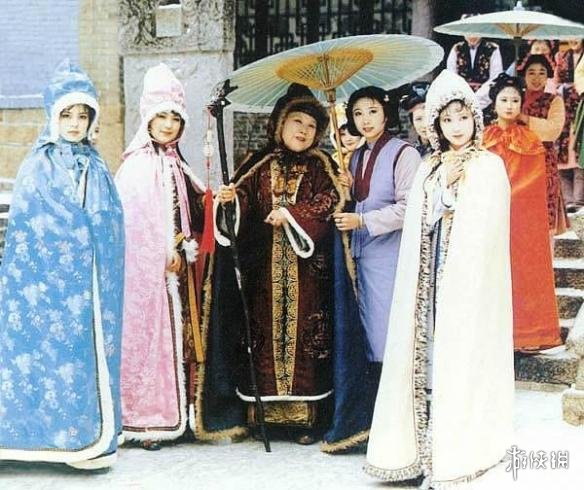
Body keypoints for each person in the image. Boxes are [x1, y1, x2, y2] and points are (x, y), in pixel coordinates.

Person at [364, 70, 513, 488]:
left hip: (468, 283)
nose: (456, 127)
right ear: (435, 125)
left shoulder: (489, 166)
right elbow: (419, 220)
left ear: (474, 119)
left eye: (462, 118)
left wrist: (454, 200)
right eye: (447, 120)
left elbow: (488, 228)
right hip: (427, 277)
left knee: (460, 352)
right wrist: (440, 197)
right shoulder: (429, 167)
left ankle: (456, 447)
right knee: (425, 352)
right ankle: (418, 445)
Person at [0, 60, 125, 469]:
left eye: (82, 115)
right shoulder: (38, 165)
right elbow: (30, 224)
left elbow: (110, 222)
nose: (74, 123)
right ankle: (24, 440)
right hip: (45, 287)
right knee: (37, 358)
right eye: (67, 114)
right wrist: (74, 240)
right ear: (53, 115)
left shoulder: (96, 165)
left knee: (78, 360)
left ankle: (79, 439)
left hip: (86, 286)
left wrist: (93, 242)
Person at [211, 84, 342, 445]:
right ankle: (263, 417)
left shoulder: (322, 166)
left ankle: (306, 420)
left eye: (311, 126)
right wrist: (230, 200)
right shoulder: (257, 164)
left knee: (306, 343)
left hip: (308, 275)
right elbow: (242, 206)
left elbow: (331, 200)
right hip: (263, 273)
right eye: (297, 122)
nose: (304, 131)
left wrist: (292, 214)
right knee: (262, 340)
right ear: (280, 124)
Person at [116, 64, 211, 448]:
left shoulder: (176, 162)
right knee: (149, 339)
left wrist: (215, 202)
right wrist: (163, 252)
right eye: (162, 117)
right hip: (152, 274)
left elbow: (193, 210)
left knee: (182, 339)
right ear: (148, 118)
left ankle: (181, 412)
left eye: (175, 118)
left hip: (179, 269)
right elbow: (134, 223)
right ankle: (146, 418)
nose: (169, 125)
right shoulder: (136, 167)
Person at [334, 86, 421, 372]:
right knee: (364, 326)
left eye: (373, 111)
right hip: (359, 254)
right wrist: (347, 188)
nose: (365, 119)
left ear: (386, 114)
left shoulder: (404, 154)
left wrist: (362, 221)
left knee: (386, 326)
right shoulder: (356, 156)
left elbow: (409, 208)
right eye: (358, 113)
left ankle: (389, 384)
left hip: (390, 256)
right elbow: (359, 201)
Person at [484, 73, 561, 351]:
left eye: (515, 100)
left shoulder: (530, 138)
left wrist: (509, 200)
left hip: (521, 219)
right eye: (504, 99)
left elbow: (533, 183)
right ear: (494, 103)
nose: (509, 105)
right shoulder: (483, 138)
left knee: (523, 274)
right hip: (489, 217)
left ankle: (527, 334)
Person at [520, 54, 569, 237]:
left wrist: (525, 119)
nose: (536, 77)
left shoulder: (554, 101)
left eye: (541, 73)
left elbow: (552, 130)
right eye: (531, 72)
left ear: (548, 76)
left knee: (544, 211)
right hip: (516, 160)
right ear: (524, 75)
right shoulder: (515, 97)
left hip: (542, 161)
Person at [555, 39, 584, 212]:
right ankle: (567, 201)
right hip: (563, 113)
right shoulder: (560, 57)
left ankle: (579, 202)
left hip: (580, 113)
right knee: (562, 157)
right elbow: (554, 82)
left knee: (579, 157)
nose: (574, 40)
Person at [446, 16, 503, 95]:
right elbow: (451, 75)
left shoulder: (492, 48)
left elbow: (495, 76)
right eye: (468, 31)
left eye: (476, 31)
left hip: (486, 95)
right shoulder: (457, 48)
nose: (472, 36)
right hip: (461, 93)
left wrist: (479, 95)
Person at [400, 81, 432, 158]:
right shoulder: (409, 154)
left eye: (429, 117)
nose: (425, 124)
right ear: (412, 122)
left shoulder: (451, 149)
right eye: (418, 119)